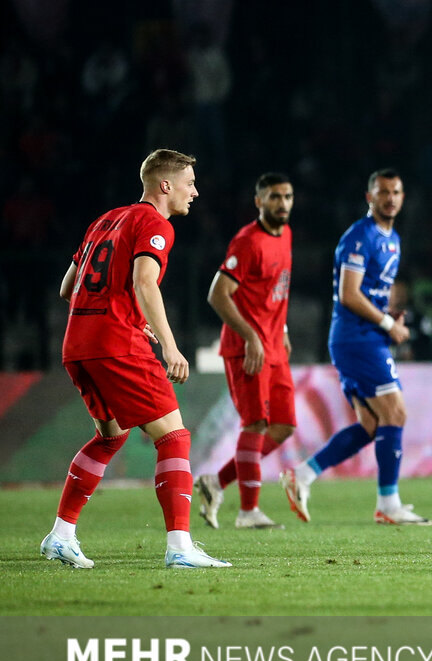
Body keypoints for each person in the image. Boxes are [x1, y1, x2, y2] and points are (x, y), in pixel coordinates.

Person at [40, 148, 230, 569]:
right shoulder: (154, 223)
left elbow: (68, 288)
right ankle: (180, 547)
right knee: (174, 437)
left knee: (111, 436)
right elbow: (145, 281)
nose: (194, 192)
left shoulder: (105, 220)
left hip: (78, 343)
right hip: (114, 344)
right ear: (165, 186)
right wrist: (169, 343)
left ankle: (61, 535)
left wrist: (122, 313)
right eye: (189, 183)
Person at [279, 169, 429, 525]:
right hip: (356, 339)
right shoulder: (359, 237)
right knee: (396, 414)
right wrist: (388, 323)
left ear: (403, 198)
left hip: (367, 336)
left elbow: (370, 294)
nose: (390, 198)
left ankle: (302, 474)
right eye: (383, 192)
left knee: (372, 425)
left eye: (396, 192)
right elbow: (348, 294)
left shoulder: (392, 238)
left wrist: (388, 315)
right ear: (369, 197)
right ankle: (388, 504)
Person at [195, 173, 296, 530]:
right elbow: (217, 294)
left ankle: (215, 482)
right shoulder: (247, 242)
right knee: (255, 424)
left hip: (273, 345)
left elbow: (272, 290)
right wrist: (251, 336)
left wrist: (280, 328)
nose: (282, 203)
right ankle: (247, 511)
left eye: (286, 197)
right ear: (259, 202)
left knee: (282, 426)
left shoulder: (286, 235)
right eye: (273, 197)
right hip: (247, 348)